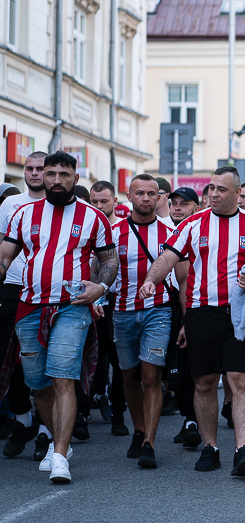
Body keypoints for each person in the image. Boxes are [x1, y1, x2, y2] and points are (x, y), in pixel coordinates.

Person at [139, 166, 245, 478]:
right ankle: (210, 446)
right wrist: (151, 279)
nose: (213, 194)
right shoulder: (191, 224)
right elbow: (167, 258)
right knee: (203, 382)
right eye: (211, 188)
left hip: (242, 313)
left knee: (242, 380)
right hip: (201, 312)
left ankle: (242, 449)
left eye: (221, 189)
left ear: (238, 194)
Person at [1, 151, 118, 483]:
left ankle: (59, 456)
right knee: (37, 384)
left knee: (63, 377)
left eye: (63, 174)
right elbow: (5, 256)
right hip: (30, 305)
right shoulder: (23, 214)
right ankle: (59, 444)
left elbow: (109, 261)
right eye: (50, 173)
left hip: (72, 305)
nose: (55, 180)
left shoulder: (94, 217)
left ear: (75, 179)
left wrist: (101, 288)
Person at [111, 175, 183, 468]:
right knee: (129, 376)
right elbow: (97, 269)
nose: (145, 198)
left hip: (158, 311)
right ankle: (138, 428)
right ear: (129, 196)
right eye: (139, 193)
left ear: (160, 198)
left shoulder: (172, 231)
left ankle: (149, 443)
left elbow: (183, 278)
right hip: (121, 311)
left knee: (151, 377)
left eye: (151, 193)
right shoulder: (113, 231)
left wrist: (185, 321)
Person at [0, 152, 48, 460]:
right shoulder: (9, 204)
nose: (32, 173)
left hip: (46, 290)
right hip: (13, 286)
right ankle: (22, 419)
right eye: (29, 168)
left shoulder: (61, 206)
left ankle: (47, 429)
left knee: (46, 356)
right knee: (9, 353)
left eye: (39, 169)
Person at [88, 181, 130, 437]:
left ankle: (117, 414)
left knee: (120, 363)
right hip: (90, 301)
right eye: (95, 201)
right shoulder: (86, 227)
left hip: (118, 302)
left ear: (115, 201)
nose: (100, 206)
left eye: (105, 201)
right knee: (88, 361)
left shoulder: (122, 229)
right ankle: (81, 415)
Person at [165, 186, 201, 449]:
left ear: (195, 208)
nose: (177, 208)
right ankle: (189, 418)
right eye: (174, 203)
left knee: (192, 368)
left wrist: (186, 322)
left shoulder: (196, 232)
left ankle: (192, 420)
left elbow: (186, 284)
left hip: (192, 309)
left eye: (184, 204)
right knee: (175, 369)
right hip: (165, 308)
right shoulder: (166, 232)